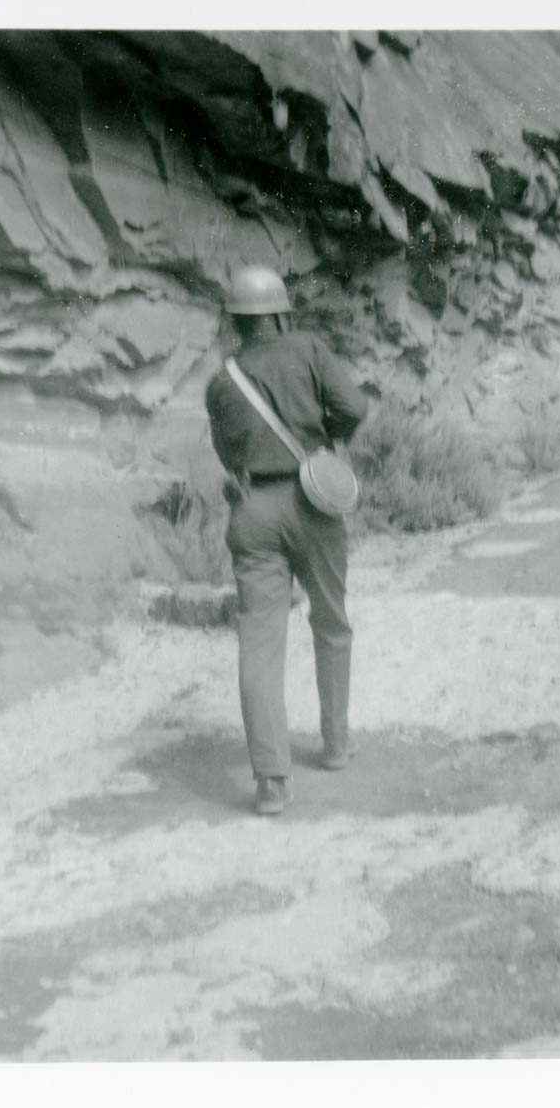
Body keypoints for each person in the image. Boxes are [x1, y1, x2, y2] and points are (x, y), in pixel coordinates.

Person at [205, 265, 368, 816]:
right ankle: (336, 744)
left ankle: (271, 781)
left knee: (259, 644)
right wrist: (327, 442)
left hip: (252, 510)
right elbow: (353, 408)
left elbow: (227, 453)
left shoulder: (222, 379)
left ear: (236, 320)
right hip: (312, 503)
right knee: (331, 621)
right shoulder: (309, 348)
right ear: (279, 314)